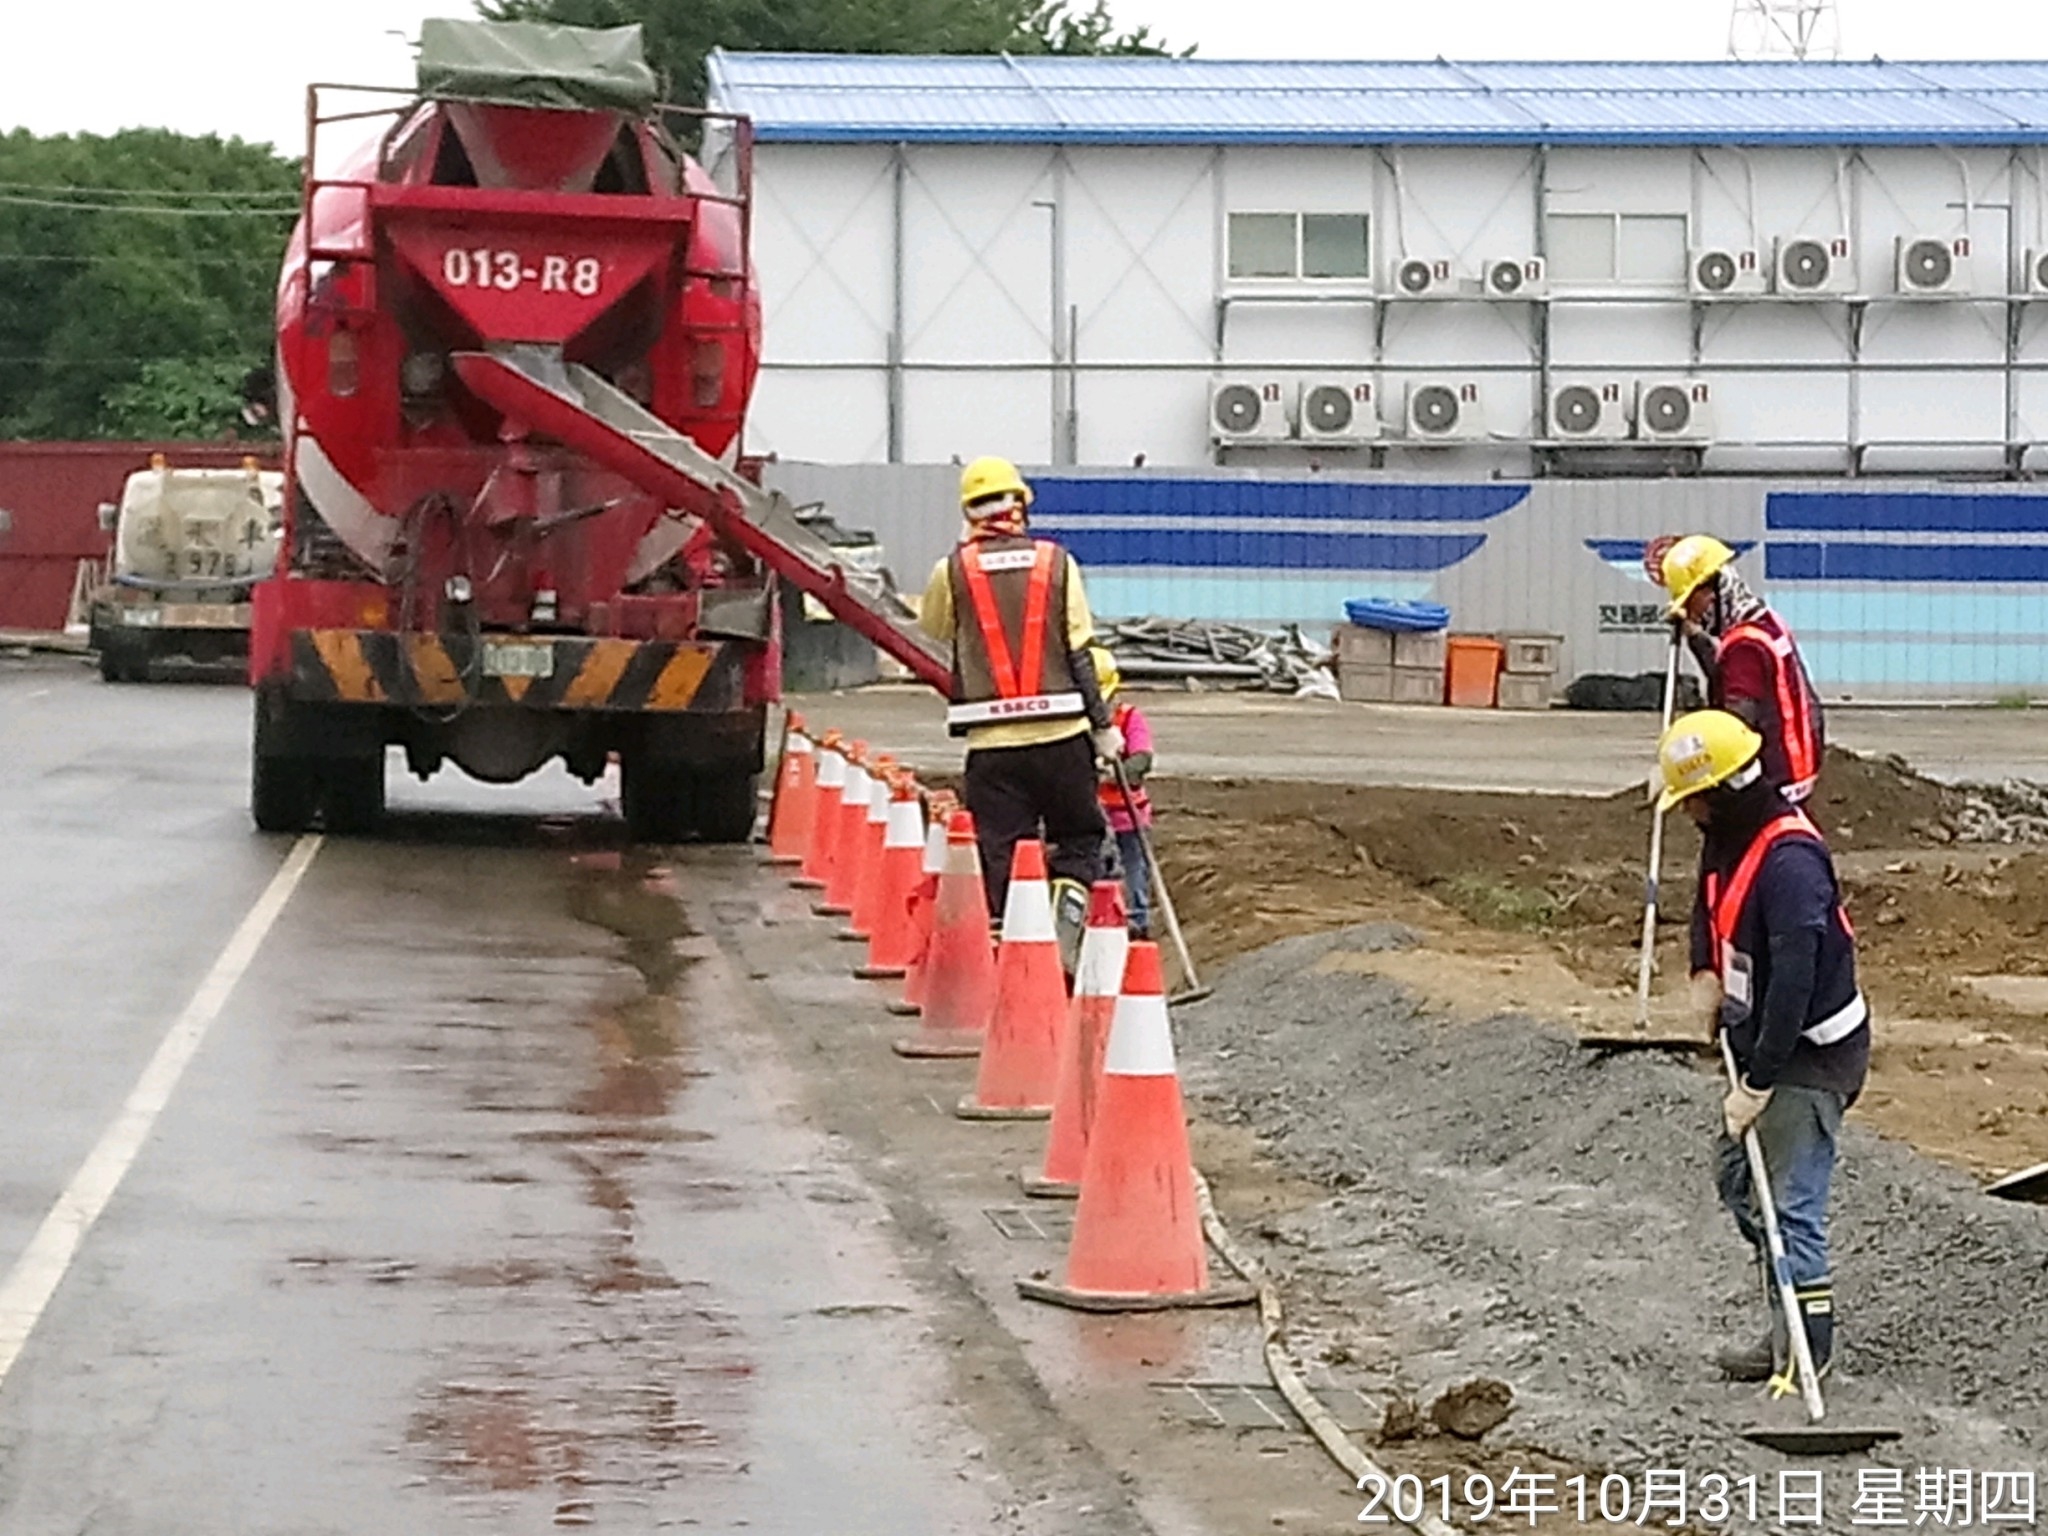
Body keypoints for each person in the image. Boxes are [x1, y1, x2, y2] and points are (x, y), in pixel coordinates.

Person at [1656, 708, 1870, 1388]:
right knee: (1738, 1180)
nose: (1686, 812)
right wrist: (1704, 970)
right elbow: (1708, 898)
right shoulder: (1727, 831)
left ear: (1720, 787)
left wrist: (1759, 1080)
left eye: (1691, 798)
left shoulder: (1791, 864)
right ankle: (1785, 1326)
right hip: (1760, 1036)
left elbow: (1797, 984)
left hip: (1809, 1052)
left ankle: (1809, 1354)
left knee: (1791, 1204)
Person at [918, 456, 1117, 949]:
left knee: (1002, 848)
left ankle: (1013, 945)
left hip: (992, 745)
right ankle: (1065, 923)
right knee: (1078, 836)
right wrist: (1104, 725)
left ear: (968, 512)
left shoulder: (952, 570)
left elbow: (936, 629)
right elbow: (1079, 651)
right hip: (1062, 736)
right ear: (1022, 504)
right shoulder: (1057, 563)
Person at [1659, 534, 1826, 803]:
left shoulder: (1745, 646)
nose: (1692, 612)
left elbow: (1734, 726)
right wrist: (1694, 635)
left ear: (1712, 590)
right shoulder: (1765, 621)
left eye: (1691, 602)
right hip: (1797, 770)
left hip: (1773, 780)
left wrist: (1687, 763)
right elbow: (1726, 675)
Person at [1090, 646, 1156, 937]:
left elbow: (1142, 759)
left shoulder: (1129, 718)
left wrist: (1114, 774)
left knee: (1134, 871)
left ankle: (1137, 922)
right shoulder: (1078, 723)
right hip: (1091, 814)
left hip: (1128, 816)